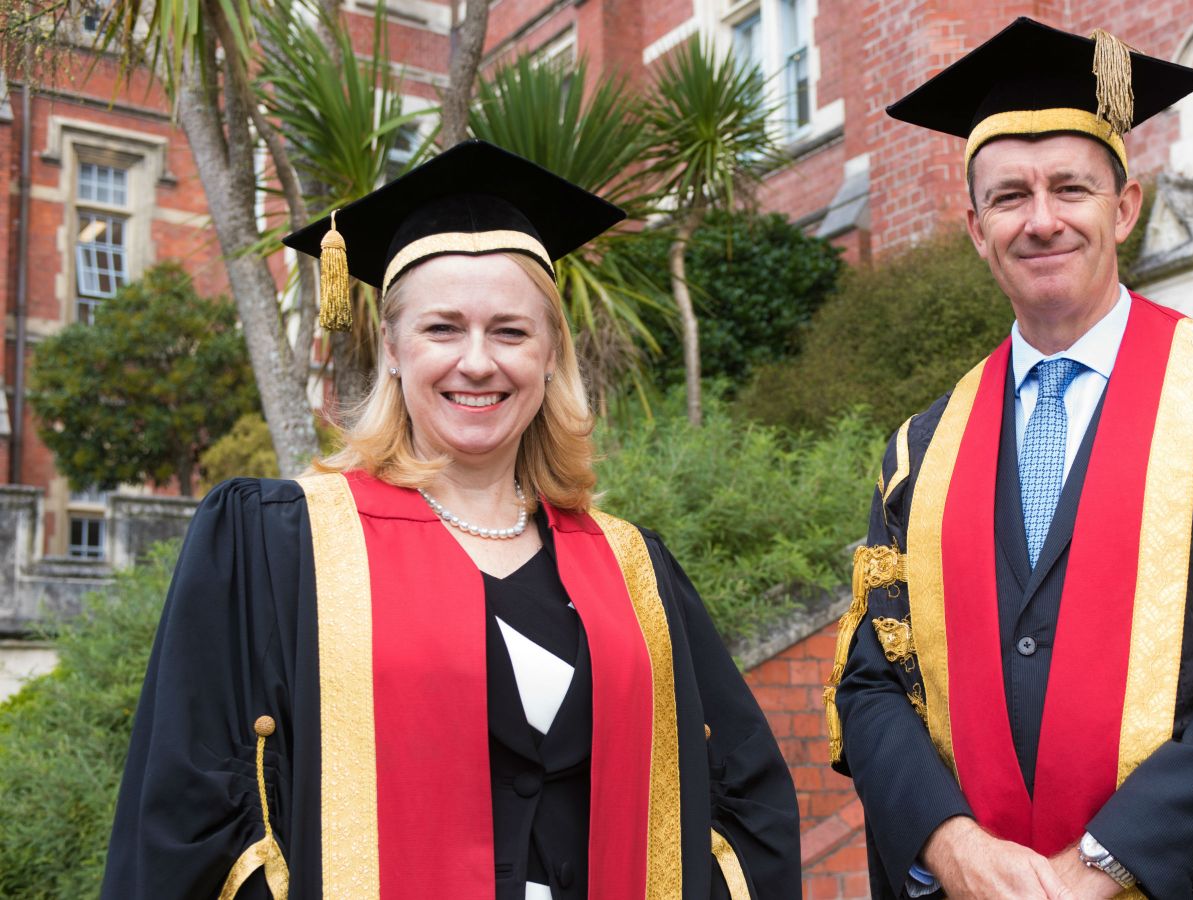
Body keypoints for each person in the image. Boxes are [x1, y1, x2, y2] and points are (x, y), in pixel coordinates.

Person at [103, 140, 800, 900]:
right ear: (393, 350)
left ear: (549, 354)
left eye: (510, 330)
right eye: (442, 329)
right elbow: (192, 817)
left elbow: (739, 796)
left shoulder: (630, 568)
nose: (477, 362)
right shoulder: (284, 544)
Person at [825, 18, 1193, 900]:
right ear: (975, 226)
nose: (1043, 220)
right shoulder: (920, 450)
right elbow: (871, 681)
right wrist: (949, 845)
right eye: (1011, 197)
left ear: (1126, 206)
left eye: (1072, 188)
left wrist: (1105, 862)